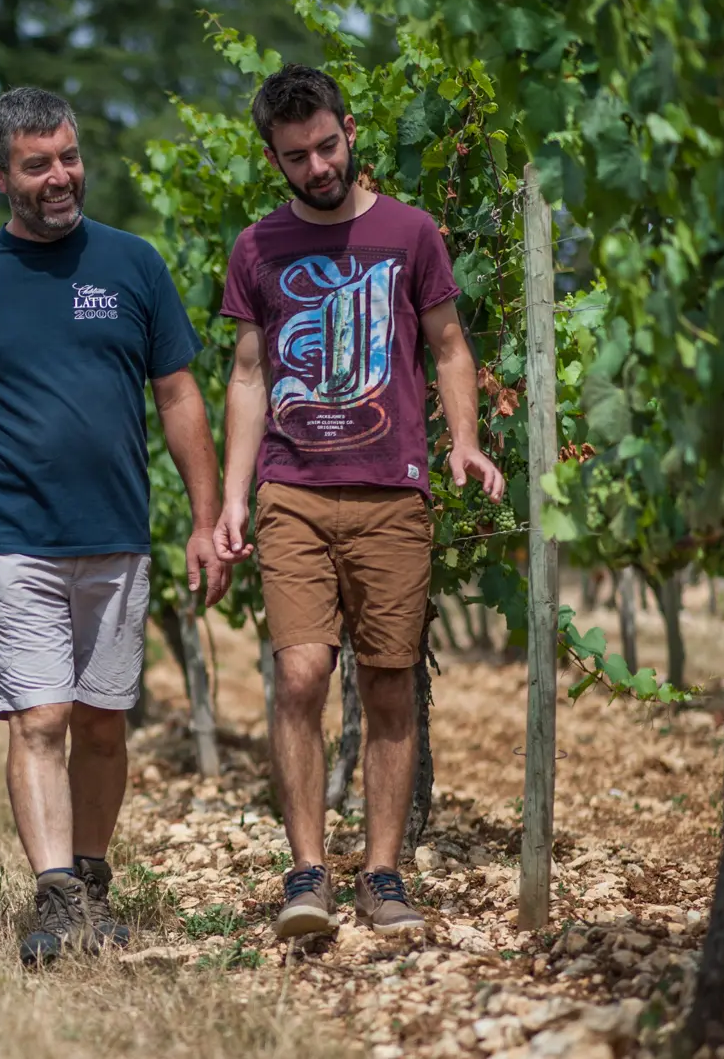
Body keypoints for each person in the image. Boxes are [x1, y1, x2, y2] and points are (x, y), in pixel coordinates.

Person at [0, 86, 227, 967]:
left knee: (103, 722)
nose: (60, 176)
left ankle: (90, 878)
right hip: (15, 541)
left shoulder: (133, 265)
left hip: (118, 536)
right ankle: (52, 898)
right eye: (38, 164)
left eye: (69, 157)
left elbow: (179, 395)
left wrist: (205, 520)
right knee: (39, 719)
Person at [212, 65, 506, 936]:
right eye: (296, 156)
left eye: (327, 146)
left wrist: (465, 442)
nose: (317, 167)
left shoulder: (410, 234)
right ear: (274, 157)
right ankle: (307, 874)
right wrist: (233, 499)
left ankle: (382, 876)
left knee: (386, 683)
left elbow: (449, 346)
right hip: (292, 492)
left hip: (391, 492)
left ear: (348, 129)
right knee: (301, 674)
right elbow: (247, 373)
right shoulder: (256, 248)